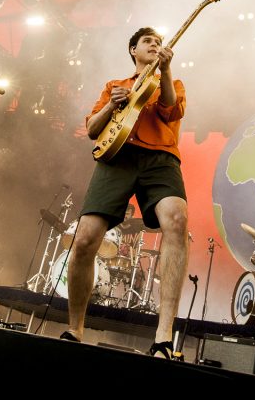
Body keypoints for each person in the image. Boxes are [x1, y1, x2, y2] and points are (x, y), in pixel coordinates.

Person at [63, 27, 188, 359]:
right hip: (117, 156)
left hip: (160, 158)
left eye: (159, 42)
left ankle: (164, 336)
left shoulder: (172, 82)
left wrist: (166, 69)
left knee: (176, 220)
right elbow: (92, 129)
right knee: (86, 238)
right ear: (133, 49)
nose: (155, 45)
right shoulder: (113, 86)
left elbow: (170, 108)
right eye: (148, 41)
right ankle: (75, 328)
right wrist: (111, 106)